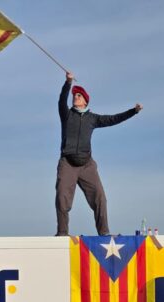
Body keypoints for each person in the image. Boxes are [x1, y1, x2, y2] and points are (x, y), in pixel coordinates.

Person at [56, 71, 142, 236]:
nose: (75, 97)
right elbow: (61, 100)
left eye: (79, 96)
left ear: (85, 101)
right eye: (74, 95)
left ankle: (104, 233)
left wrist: (133, 111)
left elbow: (113, 119)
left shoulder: (92, 118)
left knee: (100, 198)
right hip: (67, 163)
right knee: (62, 197)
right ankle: (62, 233)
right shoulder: (66, 115)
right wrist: (68, 83)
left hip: (87, 165)